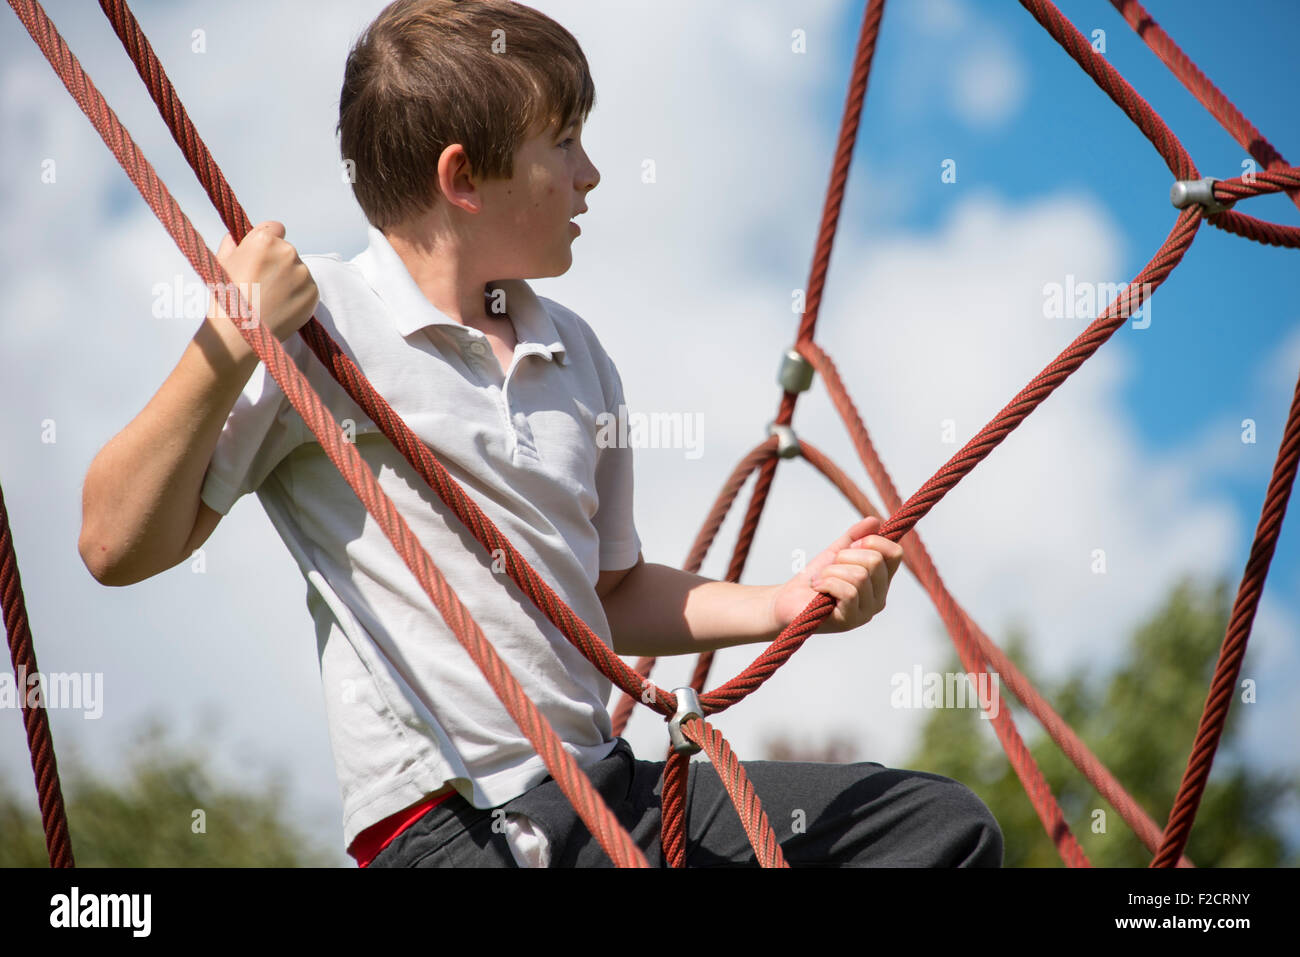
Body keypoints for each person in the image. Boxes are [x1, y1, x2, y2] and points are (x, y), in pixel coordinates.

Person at [77, 0, 1002, 868]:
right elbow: (114, 543)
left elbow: (611, 590)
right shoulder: (321, 327)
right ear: (462, 178)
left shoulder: (576, 353)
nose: (591, 173)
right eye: (563, 144)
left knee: (936, 827)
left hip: (602, 789)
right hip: (456, 820)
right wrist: (230, 340)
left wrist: (782, 602)